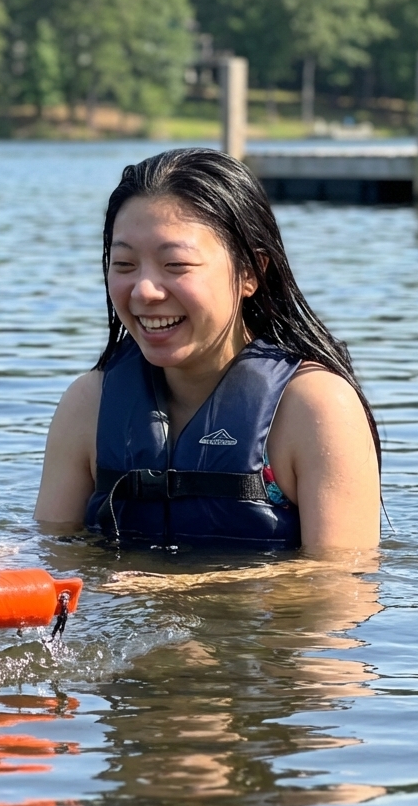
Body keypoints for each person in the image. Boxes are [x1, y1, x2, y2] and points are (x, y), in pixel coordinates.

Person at [34, 148, 380, 553]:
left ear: (250, 272)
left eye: (176, 265)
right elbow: (52, 552)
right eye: (125, 265)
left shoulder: (315, 408)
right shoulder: (88, 404)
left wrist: (175, 586)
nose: (144, 290)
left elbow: (342, 585)